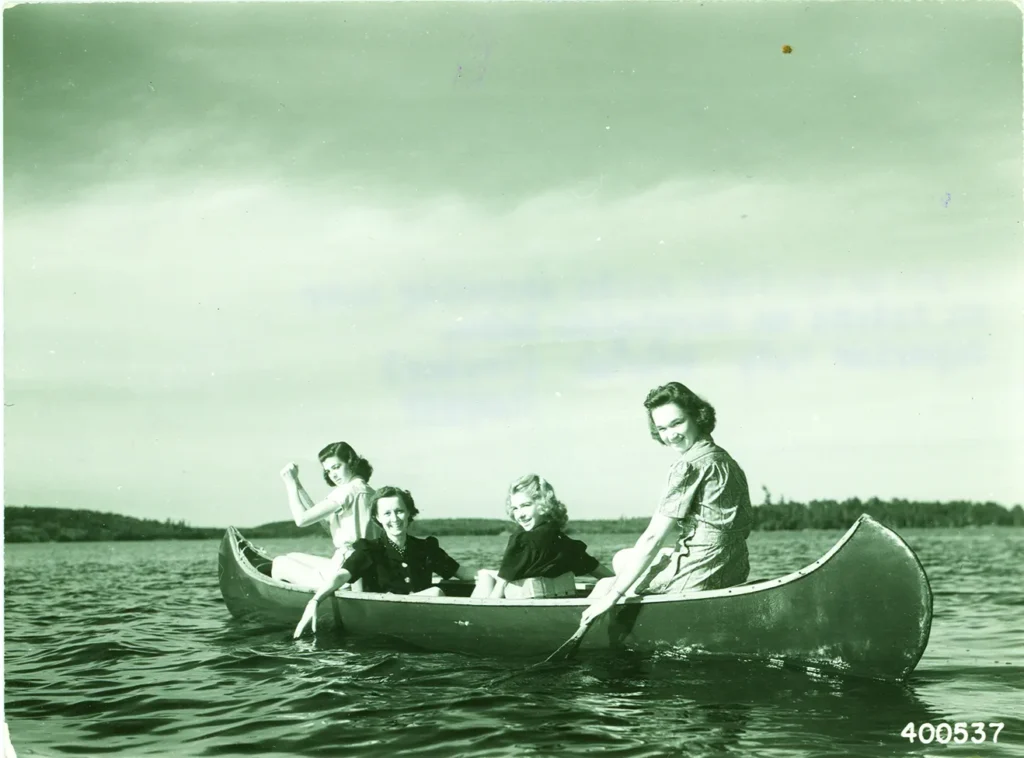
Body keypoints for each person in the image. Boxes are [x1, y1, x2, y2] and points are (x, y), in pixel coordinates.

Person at [581, 381, 754, 627]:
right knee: (621, 559)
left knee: (604, 585)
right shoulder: (724, 459)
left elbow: (654, 537)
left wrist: (612, 596)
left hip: (700, 572)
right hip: (734, 565)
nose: (670, 435)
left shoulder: (688, 465)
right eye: (662, 428)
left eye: (677, 423)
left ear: (697, 416)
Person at [294, 486, 476, 637]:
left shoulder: (425, 548)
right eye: (387, 513)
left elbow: (461, 572)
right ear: (378, 518)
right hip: (388, 622)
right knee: (436, 592)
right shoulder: (369, 549)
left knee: (485, 580)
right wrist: (315, 601)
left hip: (424, 620)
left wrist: (497, 576)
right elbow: (341, 576)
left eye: (399, 512)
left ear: (408, 514)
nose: (394, 519)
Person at [471, 474, 613, 599]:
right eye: (515, 508)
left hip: (526, 610)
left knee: (484, 575)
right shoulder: (565, 542)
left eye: (526, 505)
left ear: (543, 504)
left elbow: (499, 589)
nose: (520, 514)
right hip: (556, 602)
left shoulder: (522, 540)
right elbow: (606, 575)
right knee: (486, 573)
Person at [271, 441, 381, 588]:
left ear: (351, 462)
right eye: (328, 471)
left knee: (279, 563)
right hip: (363, 565)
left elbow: (301, 520)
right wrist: (297, 483)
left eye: (336, 467)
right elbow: (321, 519)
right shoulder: (370, 491)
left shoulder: (345, 491)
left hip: (347, 569)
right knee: (292, 557)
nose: (333, 475)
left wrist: (290, 485)